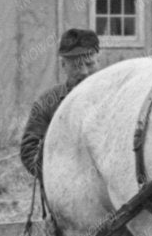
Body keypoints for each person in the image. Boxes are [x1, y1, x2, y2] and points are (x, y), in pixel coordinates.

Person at [19, 27, 103, 180]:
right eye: (76, 65)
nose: (84, 72)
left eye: (90, 64)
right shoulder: (47, 103)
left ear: (99, 61)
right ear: (63, 65)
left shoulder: (116, 97)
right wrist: (60, 180)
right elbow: (29, 151)